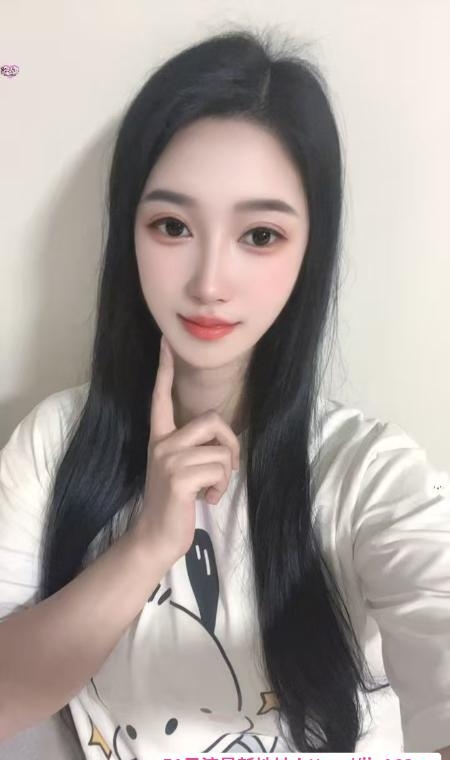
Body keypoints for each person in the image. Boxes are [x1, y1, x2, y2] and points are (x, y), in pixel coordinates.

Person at [0, 26, 449, 757]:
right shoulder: (55, 445)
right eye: (172, 225)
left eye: (260, 236)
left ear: (310, 250)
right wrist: (147, 546)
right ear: (129, 232)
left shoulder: (368, 476)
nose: (210, 282)